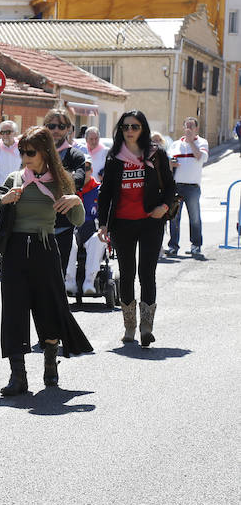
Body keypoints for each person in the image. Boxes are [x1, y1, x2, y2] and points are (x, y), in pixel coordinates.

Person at [0, 126, 92, 396]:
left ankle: (50, 362)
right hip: (14, 251)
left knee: (48, 309)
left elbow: (78, 221)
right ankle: (18, 376)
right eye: (21, 151)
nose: (25, 157)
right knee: (13, 313)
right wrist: (3, 200)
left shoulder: (59, 183)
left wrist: (75, 201)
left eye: (30, 152)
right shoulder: (15, 179)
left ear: (45, 152)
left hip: (45, 249)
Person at [98, 110, 175, 347]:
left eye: (135, 127)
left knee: (147, 273)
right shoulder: (114, 157)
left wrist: (164, 206)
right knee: (127, 274)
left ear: (143, 129)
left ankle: (146, 326)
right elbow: (106, 193)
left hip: (151, 221)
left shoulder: (155, 154)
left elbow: (171, 186)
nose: (129, 131)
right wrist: (103, 223)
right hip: (122, 223)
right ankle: (129, 326)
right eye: (125, 127)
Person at [43, 109, 86, 275]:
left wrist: (46, 180)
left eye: (61, 126)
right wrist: (66, 179)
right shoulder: (35, 152)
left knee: (58, 275)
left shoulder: (76, 155)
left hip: (63, 226)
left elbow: (78, 182)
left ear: (68, 129)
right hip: (36, 225)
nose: (56, 130)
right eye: (51, 126)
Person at [165, 116, 208, 258]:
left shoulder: (202, 142)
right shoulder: (176, 144)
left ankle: (196, 245)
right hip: (176, 185)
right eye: (186, 126)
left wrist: (191, 142)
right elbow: (169, 161)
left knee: (194, 217)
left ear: (196, 129)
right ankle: (173, 246)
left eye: (192, 126)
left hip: (192, 187)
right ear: (183, 128)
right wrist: (171, 163)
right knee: (174, 217)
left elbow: (200, 157)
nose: (188, 129)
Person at [64, 157, 106, 296]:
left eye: (87, 168)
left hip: (93, 229)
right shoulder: (70, 190)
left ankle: (89, 282)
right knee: (68, 241)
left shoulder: (100, 189)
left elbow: (105, 213)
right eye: (82, 169)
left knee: (98, 239)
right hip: (74, 228)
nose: (85, 172)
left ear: (91, 170)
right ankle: (69, 282)